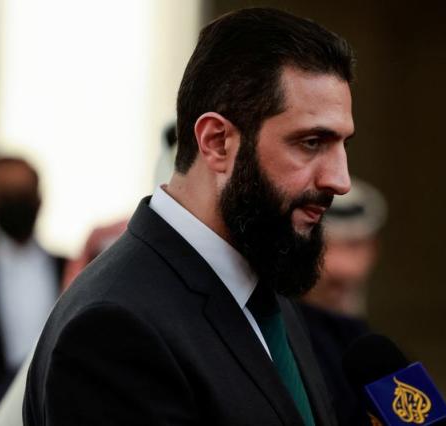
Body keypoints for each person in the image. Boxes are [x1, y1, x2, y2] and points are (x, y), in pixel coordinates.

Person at [24, 8, 355, 426]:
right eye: (311, 142)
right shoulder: (113, 328)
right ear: (216, 142)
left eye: (342, 144)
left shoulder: (264, 284)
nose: (340, 180)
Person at [299, 177, 387, 425]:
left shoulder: (381, 353)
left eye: (354, 246)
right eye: (324, 247)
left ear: (374, 248)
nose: (341, 269)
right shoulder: (284, 347)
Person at [0, 157, 65, 414]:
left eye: (23, 193)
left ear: (39, 197)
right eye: (8, 194)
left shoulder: (70, 269)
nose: (17, 203)